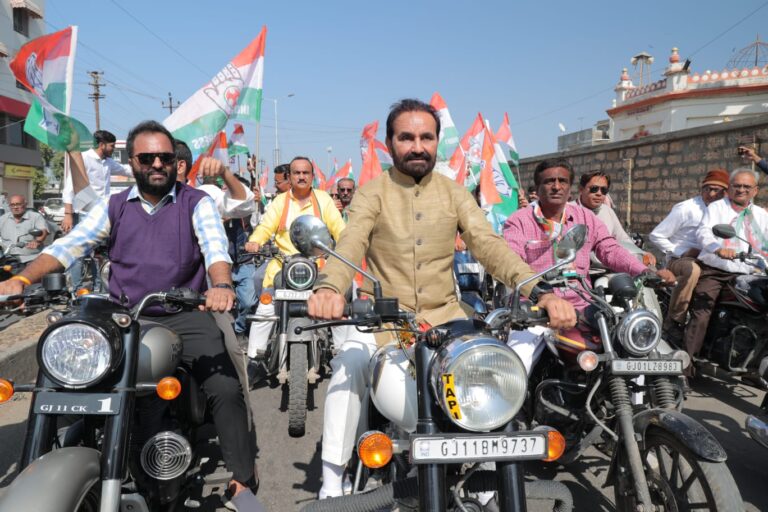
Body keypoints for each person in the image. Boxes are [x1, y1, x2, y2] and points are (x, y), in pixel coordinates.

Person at [307, 99, 576, 499]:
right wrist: (329, 287)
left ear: (437, 142)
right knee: (348, 365)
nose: (417, 146)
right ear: (390, 143)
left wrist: (540, 291)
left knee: (487, 372)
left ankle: (487, 472)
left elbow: (488, 246)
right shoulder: (371, 194)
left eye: (426, 137)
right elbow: (351, 241)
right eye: (407, 137)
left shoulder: (453, 193)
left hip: (446, 318)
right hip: (381, 318)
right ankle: (333, 481)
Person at [0, 121, 265, 511]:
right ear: (133, 162)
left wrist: (221, 285)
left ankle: (242, 481)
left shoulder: (196, 202)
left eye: (165, 157)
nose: (157, 163)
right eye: (147, 157)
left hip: (183, 312)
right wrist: (21, 279)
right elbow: (71, 244)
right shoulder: (115, 205)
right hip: (124, 319)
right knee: (72, 380)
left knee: (224, 386)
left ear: (176, 162)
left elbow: (215, 249)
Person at [503, 159, 675, 373]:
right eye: (549, 181)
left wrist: (645, 272)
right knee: (514, 368)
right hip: (535, 310)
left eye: (562, 181)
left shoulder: (586, 219)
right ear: (537, 188)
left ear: (570, 187)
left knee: (633, 352)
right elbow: (511, 263)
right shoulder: (518, 221)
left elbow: (610, 249)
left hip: (583, 305)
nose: (557, 186)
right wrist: (539, 294)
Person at [244, 156, 346, 363]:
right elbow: (265, 227)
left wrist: (346, 244)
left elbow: (339, 228)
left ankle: (343, 359)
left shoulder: (324, 199)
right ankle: (255, 360)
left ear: (312, 176)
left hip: (318, 267)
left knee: (336, 307)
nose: (301, 177)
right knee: (265, 309)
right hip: (284, 266)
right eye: (296, 173)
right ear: (289, 177)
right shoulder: (280, 201)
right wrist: (254, 241)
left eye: (305, 173)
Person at [682, 168, 768, 367]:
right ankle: (685, 367)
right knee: (702, 312)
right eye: (737, 185)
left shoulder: (761, 215)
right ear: (729, 188)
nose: (741, 190)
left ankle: (752, 364)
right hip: (716, 270)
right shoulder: (717, 208)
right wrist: (717, 248)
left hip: (748, 273)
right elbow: (704, 232)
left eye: (747, 186)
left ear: (755, 191)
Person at [648, 169, 728, 341]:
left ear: (725, 192)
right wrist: (680, 251)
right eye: (708, 189)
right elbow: (656, 235)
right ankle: (674, 321)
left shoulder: (727, 211)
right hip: (681, 260)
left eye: (717, 190)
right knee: (693, 270)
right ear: (701, 189)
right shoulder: (686, 208)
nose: (712, 194)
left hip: (713, 260)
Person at [62, 130, 134, 290]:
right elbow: (69, 188)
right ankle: (77, 290)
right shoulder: (84, 158)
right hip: (84, 215)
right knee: (79, 254)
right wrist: (67, 214)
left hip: (103, 215)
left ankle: (99, 289)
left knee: (101, 255)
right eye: (112, 146)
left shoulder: (108, 162)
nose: (113, 149)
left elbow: (126, 171)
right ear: (102, 145)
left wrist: (143, 166)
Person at [576, 170, 657, 266]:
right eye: (594, 189)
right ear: (581, 189)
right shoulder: (569, 211)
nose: (599, 193)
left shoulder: (607, 211)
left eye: (604, 190)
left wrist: (642, 253)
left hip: (608, 267)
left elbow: (622, 238)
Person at [0, 195, 48, 263]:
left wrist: (37, 241)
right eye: (12, 205)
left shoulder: (35, 217)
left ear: (25, 204)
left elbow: (43, 231)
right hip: (8, 258)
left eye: (18, 204)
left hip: (30, 258)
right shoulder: (3, 219)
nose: (15, 207)